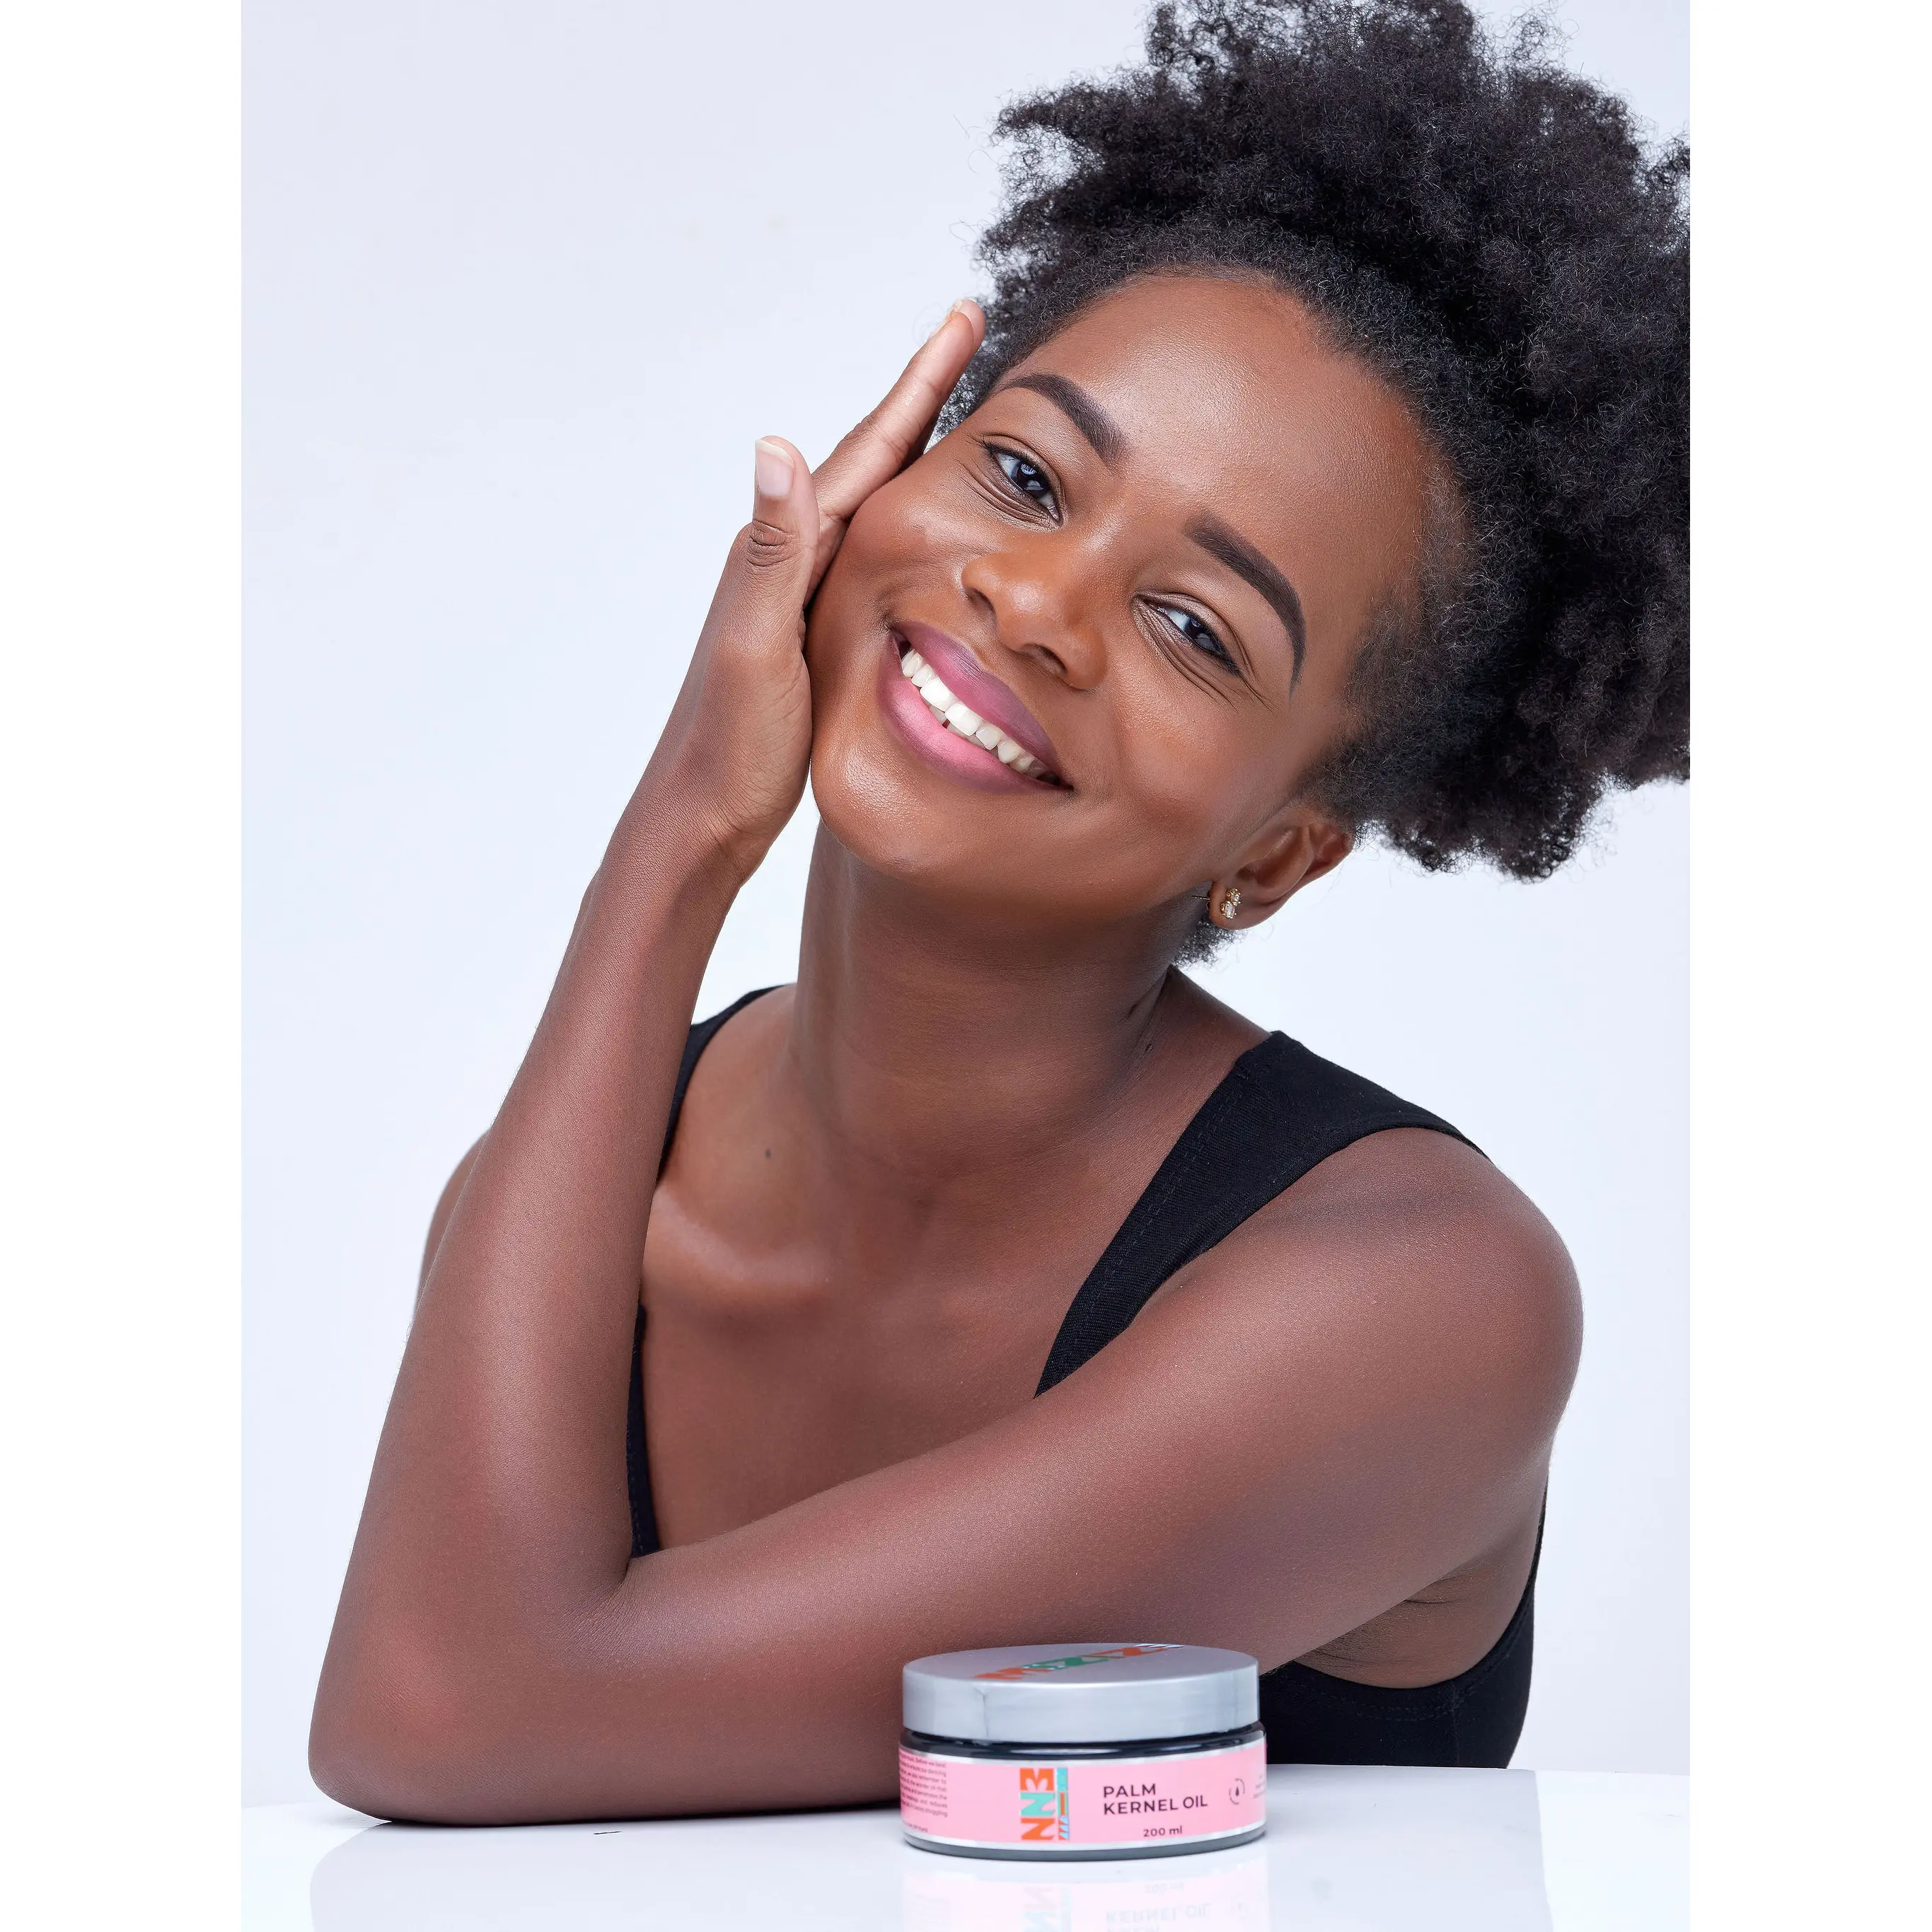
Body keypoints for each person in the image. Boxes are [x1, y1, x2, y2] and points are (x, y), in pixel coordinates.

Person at [310, 0, 1687, 1824]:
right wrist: (682, 851)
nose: (1034, 602)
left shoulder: (1422, 1302)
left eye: (1195, 628)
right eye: (1025, 475)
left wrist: (679, 837)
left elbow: (442, 1711)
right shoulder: (570, 1184)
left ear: (1280, 853)